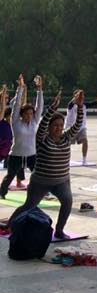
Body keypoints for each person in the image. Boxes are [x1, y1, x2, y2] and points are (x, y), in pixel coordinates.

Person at [8, 88, 85, 239]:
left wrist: (80, 106)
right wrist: (52, 109)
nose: (58, 128)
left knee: (67, 202)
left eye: (61, 125)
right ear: (49, 127)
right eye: (55, 125)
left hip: (61, 182)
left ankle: (59, 230)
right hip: (40, 182)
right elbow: (42, 124)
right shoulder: (42, 139)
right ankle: (10, 224)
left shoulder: (66, 137)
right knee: (29, 206)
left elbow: (78, 124)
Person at [0, 74, 42, 197]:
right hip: (16, 155)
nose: (30, 116)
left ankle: (39, 192)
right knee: (9, 177)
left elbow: (39, 107)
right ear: (22, 114)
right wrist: (20, 88)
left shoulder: (34, 122)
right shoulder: (16, 121)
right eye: (27, 114)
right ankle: (2, 192)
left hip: (31, 155)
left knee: (38, 176)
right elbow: (17, 105)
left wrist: (39, 89)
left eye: (31, 114)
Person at [66, 93, 97, 165]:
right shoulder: (71, 106)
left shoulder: (84, 105)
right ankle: (66, 159)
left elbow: (93, 103)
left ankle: (84, 160)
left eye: (82, 96)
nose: (82, 97)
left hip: (81, 128)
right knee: (67, 144)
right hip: (70, 128)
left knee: (85, 141)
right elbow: (72, 102)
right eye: (79, 96)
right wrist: (77, 96)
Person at [0, 87, 12, 172]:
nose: (7, 99)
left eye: (7, 97)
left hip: (6, 143)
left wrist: (22, 90)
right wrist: (3, 94)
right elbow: (2, 107)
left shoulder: (7, 112)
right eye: (5, 98)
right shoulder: (2, 113)